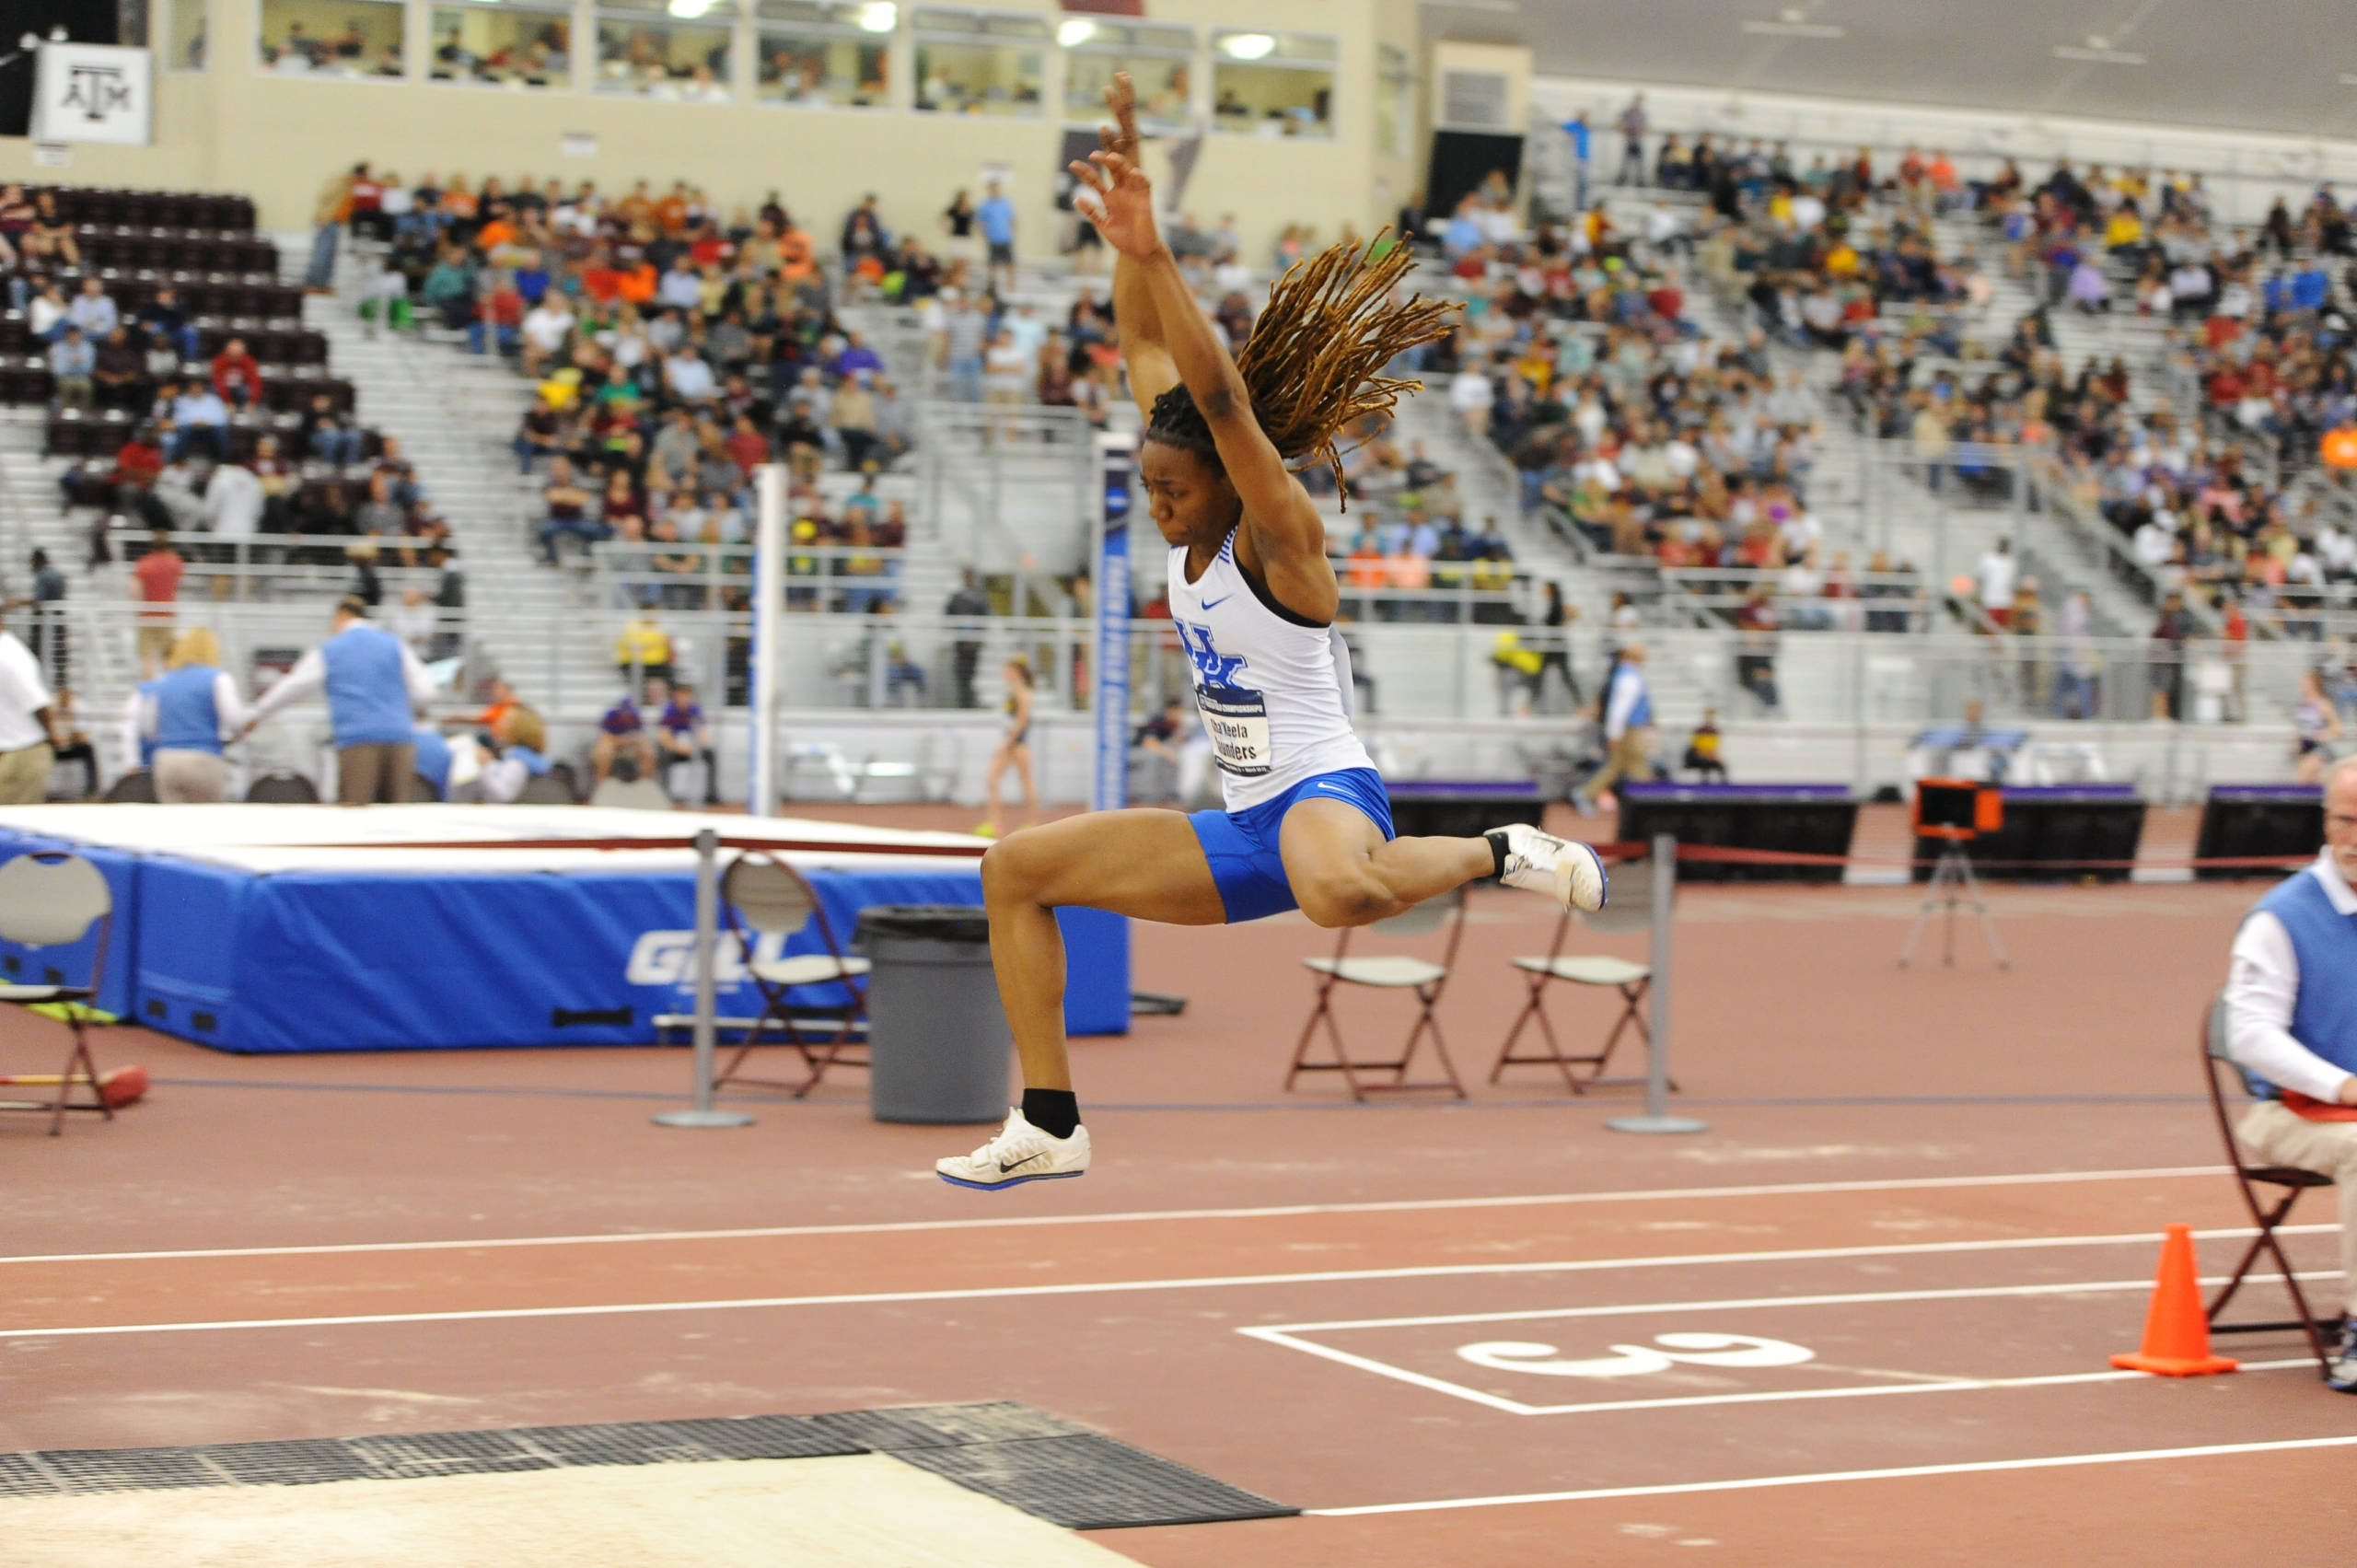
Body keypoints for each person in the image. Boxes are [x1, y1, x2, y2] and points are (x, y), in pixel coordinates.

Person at [934, 76, 1606, 1193]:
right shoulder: (1179, 453)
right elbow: (1144, 342)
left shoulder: (1278, 534)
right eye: (1145, 487)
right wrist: (1128, 244)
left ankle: (1505, 849)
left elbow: (1223, 397)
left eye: (1170, 489)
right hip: (1245, 821)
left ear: (1224, 477)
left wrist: (1163, 251)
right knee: (1014, 869)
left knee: (1342, 895)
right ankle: (1048, 1119)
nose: (1156, 505)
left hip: (1322, 795)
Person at [2223, 754, 2357, 1393]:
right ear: (2325, 820)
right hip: (2288, 1112)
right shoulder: (2282, 916)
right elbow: (2249, 1034)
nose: (2354, 837)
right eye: (2344, 820)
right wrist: (2342, 1084)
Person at [241, 598, 437, 804]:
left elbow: (294, 687)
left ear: (342, 616)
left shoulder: (331, 650)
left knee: (357, 812)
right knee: (399, 815)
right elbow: (426, 692)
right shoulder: (395, 645)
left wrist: (258, 714)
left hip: (358, 739)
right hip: (400, 738)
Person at [130, 627, 250, 803]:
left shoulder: (163, 681)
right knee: (205, 823)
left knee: (173, 824)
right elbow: (235, 721)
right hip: (203, 758)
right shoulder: (217, 678)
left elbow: (148, 727)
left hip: (167, 760)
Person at [1579, 644, 1655, 813]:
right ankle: (1645, 801)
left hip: (1629, 728)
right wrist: (1614, 733)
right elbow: (1620, 708)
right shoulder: (1629, 677)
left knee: (1616, 765)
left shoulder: (1626, 674)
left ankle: (1586, 793)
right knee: (1638, 763)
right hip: (1630, 729)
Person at [0, 611, 59, 805]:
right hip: (12, 750)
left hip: (24, 752)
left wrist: (53, 738)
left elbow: (38, 704)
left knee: (14, 825)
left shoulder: (10, 655)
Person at [975, 653, 1036, 840]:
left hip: (1017, 744)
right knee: (992, 780)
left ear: (1018, 672)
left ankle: (1033, 824)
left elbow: (1022, 722)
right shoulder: (1012, 692)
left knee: (1025, 782)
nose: (1005, 674)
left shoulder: (1024, 693)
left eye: (1009, 671)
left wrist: (1006, 743)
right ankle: (995, 825)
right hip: (1011, 742)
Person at [130, 533, 184, 674]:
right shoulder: (175, 563)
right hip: (167, 614)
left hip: (148, 614)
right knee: (168, 656)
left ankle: (149, 691)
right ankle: (169, 689)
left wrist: (138, 605)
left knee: (148, 657)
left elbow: (133, 588)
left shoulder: (144, 563)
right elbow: (178, 582)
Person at [656, 679, 716, 804]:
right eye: (681, 694)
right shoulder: (669, 711)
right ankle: (665, 794)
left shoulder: (695, 710)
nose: (684, 697)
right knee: (663, 755)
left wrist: (695, 747)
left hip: (693, 748)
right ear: (675, 695)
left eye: (687, 694)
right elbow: (664, 737)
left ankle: (711, 794)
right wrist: (680, 748)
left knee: (711, 754)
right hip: (675, 750)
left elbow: (704, 734)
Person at [480, 705, 553, 803]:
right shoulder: (530, 757)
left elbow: (502, 796)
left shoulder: (518, 761)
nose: (500, 723)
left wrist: (486, 765)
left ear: (520, 727)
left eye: (507, 720)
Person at [946, 568, 990, 707]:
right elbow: (948, 614)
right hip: (961, 642)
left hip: (974, 643)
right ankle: (963, 701)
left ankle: (968, 701)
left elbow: (985, 618)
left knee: (970, 672)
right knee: (960, 672)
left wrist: (977, 639)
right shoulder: (957, 597)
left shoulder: (980, 597)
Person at [591, 688, 656, 784]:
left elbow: (641, 737)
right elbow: (605, 737)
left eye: (629, 712)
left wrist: (631, 741)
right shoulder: (611, 716)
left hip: (630, 747)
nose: (627, 715)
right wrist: (622, 740)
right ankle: (602, 784)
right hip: (613, 745)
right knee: (604, 752)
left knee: (649, 752)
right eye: (625, 711)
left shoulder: (635, 717)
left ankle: (645, 783)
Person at [2296, 668, 2344, 785]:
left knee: (2301, 780)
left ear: (2313, 685)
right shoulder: (2303, 703)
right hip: (2304, 746)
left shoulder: (2323, 704)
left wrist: (2325, 734)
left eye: (2305, 682)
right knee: (2313, 782)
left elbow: (2338, 728)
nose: (2301, 684)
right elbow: (2301, 726)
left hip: (2318, 747)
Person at [49, 684, 97, 800]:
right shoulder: (49, 707)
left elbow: (82, 735)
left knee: (87, 749)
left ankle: (92, 790)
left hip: (71, 745)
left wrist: (68, 740)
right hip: (53, 746)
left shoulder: (78, 707)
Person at [1683, 708, 1727, 784]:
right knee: (1705, 763)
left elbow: (1715, 748)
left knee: (1721, 765)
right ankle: (1704, 785)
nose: (1709, 719)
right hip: (1698, 757)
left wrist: (1714, 756)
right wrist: (1707, 755)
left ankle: (1724, 786)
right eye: (1708, 716)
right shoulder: (1699, 731)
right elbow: (1697, 749)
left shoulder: (1715, 732)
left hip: (1709, 756)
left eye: (1711, 716)